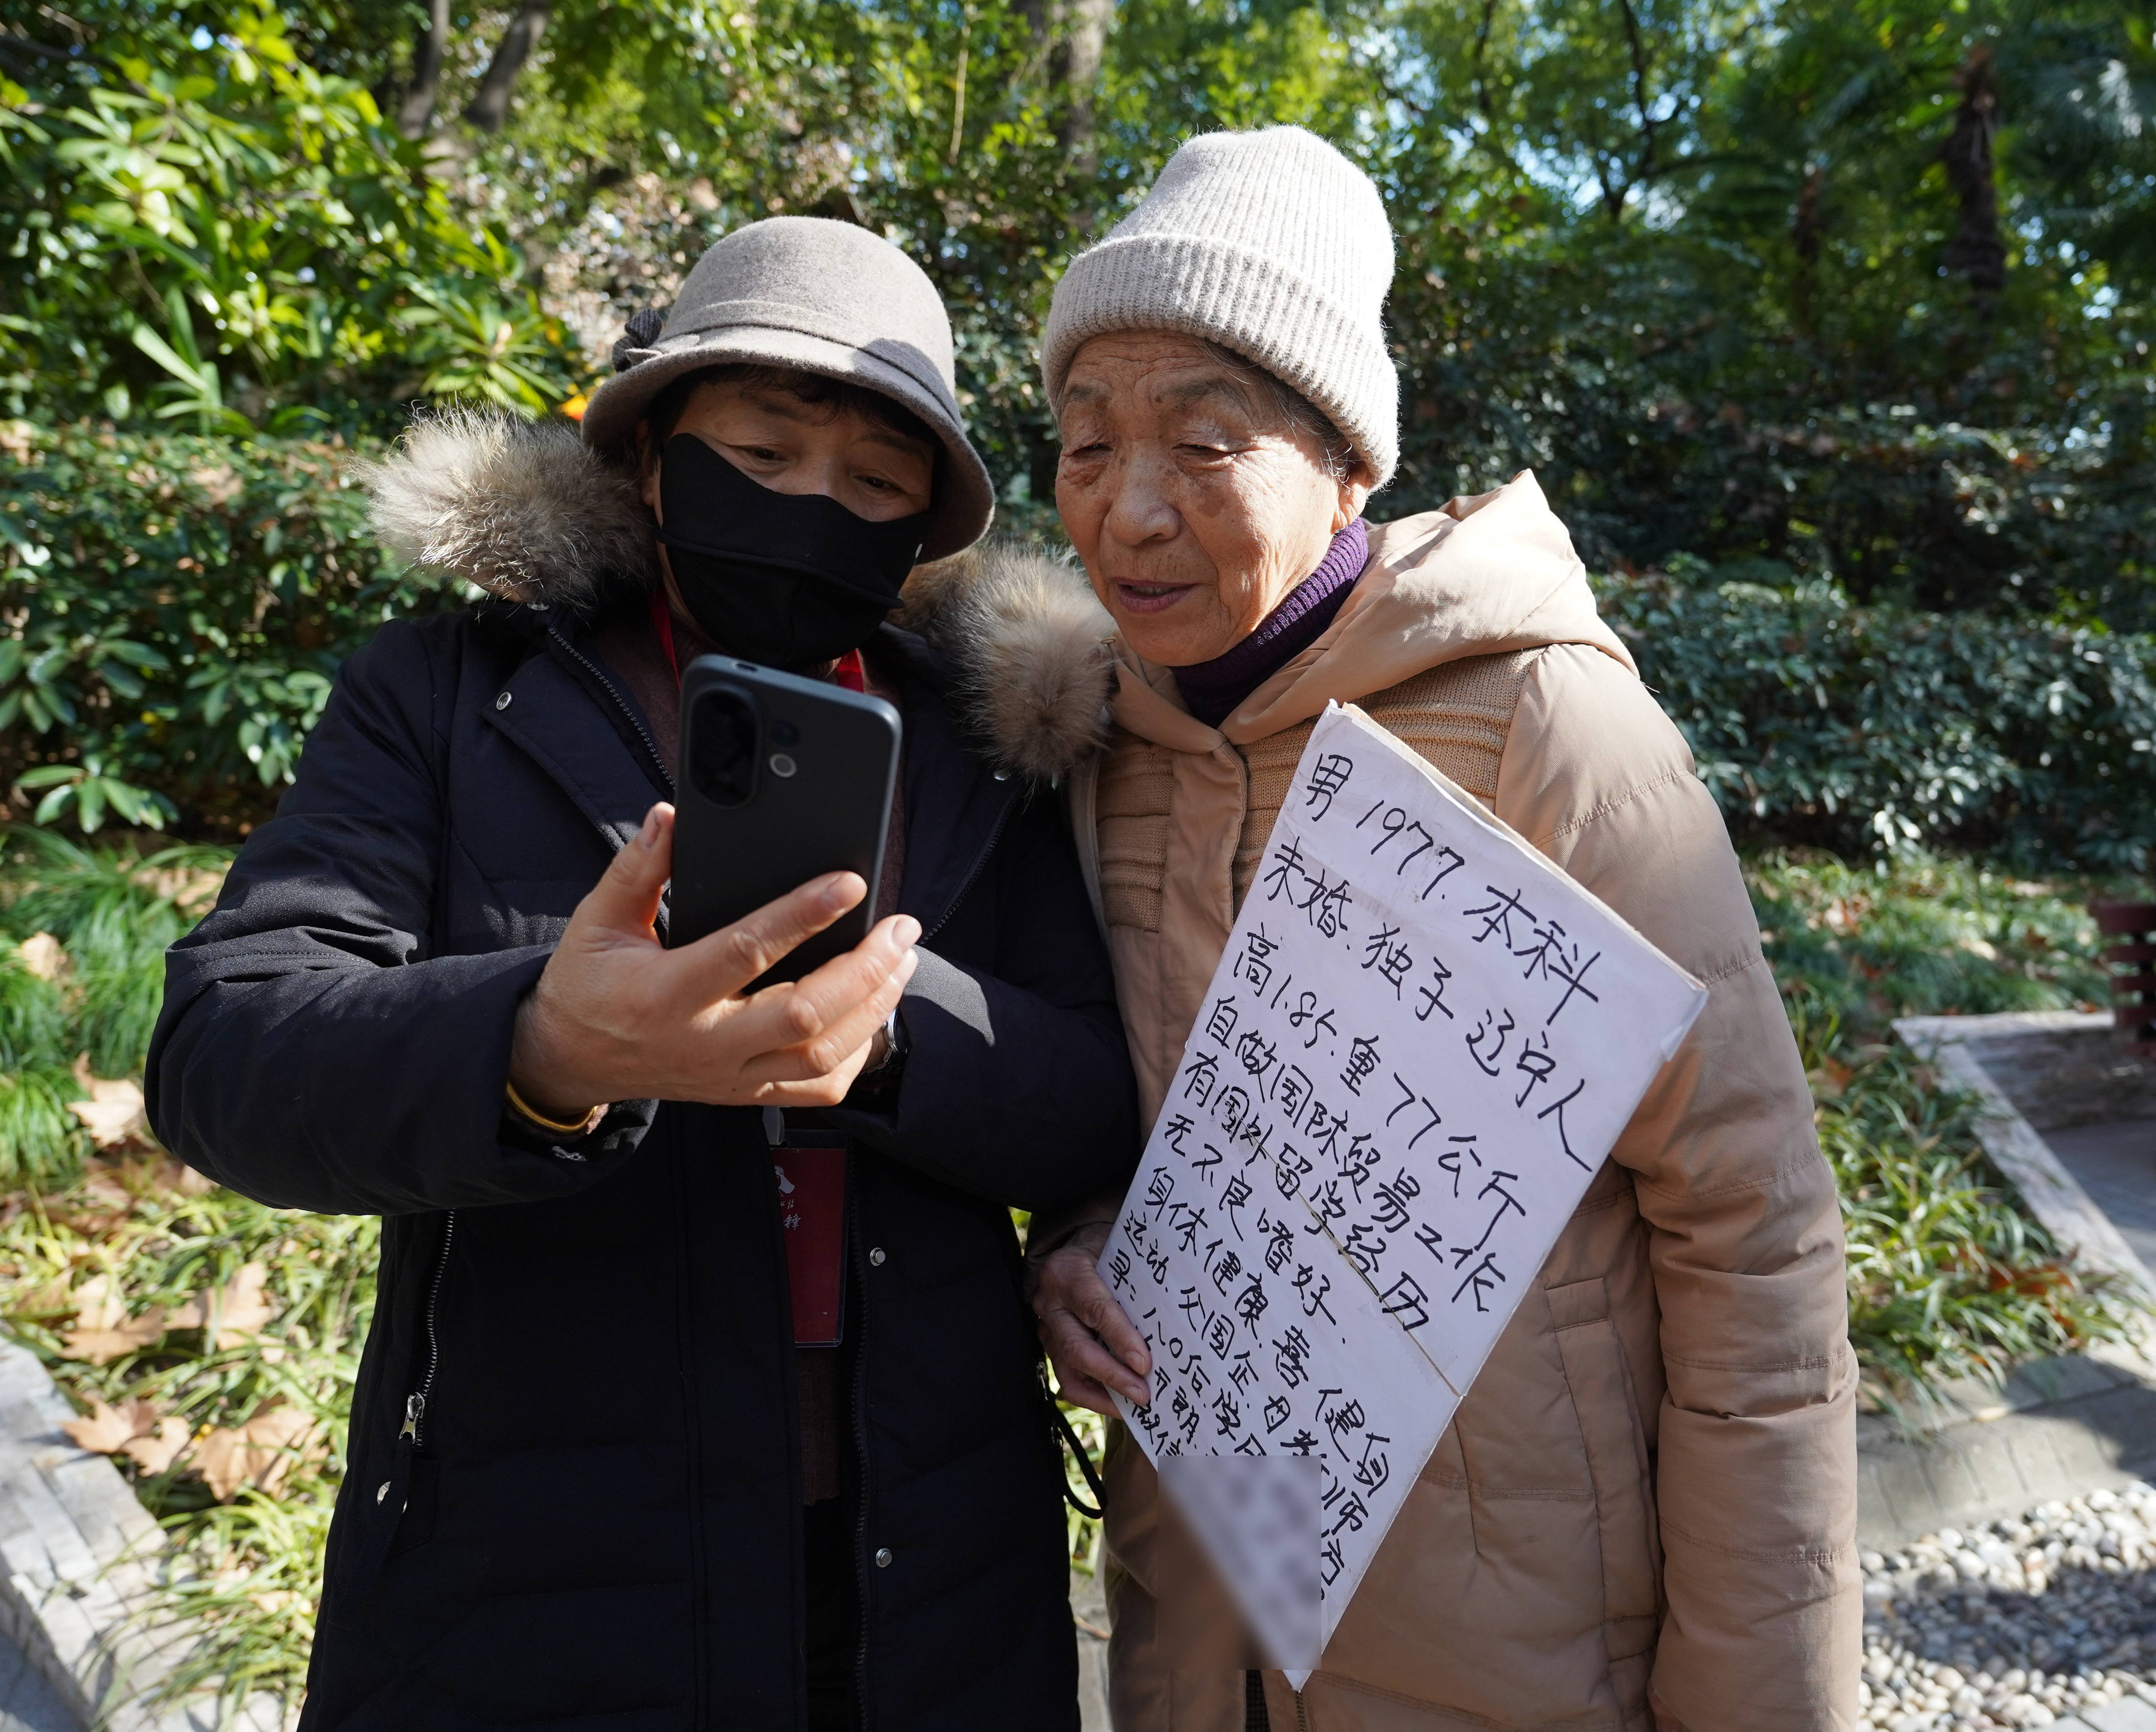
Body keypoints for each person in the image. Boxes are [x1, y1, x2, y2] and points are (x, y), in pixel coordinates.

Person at [145, 216, 1140, 1731]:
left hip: (930, 1576)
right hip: (533, 1571)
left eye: (875, 484)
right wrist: (542, 1044)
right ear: (651, 453)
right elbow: (227, 1047)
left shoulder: (978, 747)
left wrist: (879, 1026)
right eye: (761, 448)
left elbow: (1089, 1094)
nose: (815, 505)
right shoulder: (451, 693)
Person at [1000, 126, 1863, 1731]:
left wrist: (1750, 1704)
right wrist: (1075, 1245)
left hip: (1518, 1669)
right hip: (1199, 1635)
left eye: (1204, 446)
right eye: (1079, 444)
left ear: (1346, 464)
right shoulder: (1090, 749)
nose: (1126, 512)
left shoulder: (1543, 722)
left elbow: (1750, 1231)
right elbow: (1119, 1131)